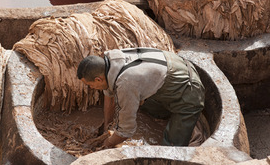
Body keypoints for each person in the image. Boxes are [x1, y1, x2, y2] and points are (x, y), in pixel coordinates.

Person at [76, 47, 205, 148]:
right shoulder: (111, 60)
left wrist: (105, 145)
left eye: (89, 85)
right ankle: (166, 113)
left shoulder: (125, 83)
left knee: (170, 149)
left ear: (98, 79)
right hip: (174, 69)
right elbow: (109, 96)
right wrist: (107, 128)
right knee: (139, 104)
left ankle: (184, 117)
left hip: (190, 91)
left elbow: (126, 131)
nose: (90, 88)